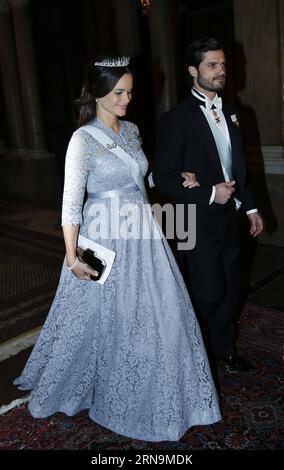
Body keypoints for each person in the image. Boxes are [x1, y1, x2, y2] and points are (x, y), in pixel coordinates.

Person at [14, 55, 221, 442]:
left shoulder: (132, 129)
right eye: (118, 92)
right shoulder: (83, 140)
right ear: (97, 93)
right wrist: (72, 256)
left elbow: (139, 175)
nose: (126, 99)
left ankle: (151, 387)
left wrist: (176, 175)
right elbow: (71, 203)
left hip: (142, 233)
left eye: (129, 92)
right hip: (102, 234)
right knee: (97, 313)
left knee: (155, 311)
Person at [153, 38, 264, 374]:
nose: (221, 71)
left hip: (229, 219)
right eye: (212, 65)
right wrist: (208, 193)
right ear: (193, 71)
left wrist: (251, 208)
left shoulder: (234, 112)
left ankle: (224, 351)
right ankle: (189, 356)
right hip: (194, 220)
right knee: (207, 294)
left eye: (223, 64)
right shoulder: (177, 119)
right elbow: (164, 176)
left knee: (230, 290)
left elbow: (238, 168)